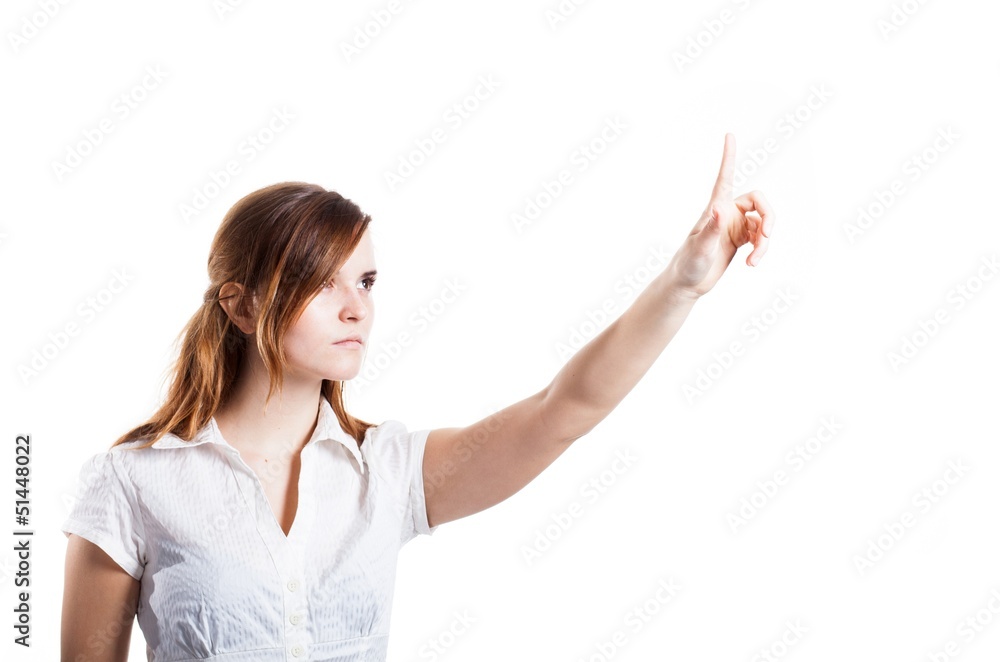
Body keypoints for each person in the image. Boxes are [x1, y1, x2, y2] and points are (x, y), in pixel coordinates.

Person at [60, 133, 774, 661]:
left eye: (365, 282)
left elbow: (563, 411)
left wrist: (684, 282)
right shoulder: (131, 483)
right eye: (322, 282)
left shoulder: (387, 471)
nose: (357, 308)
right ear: (242, 306)